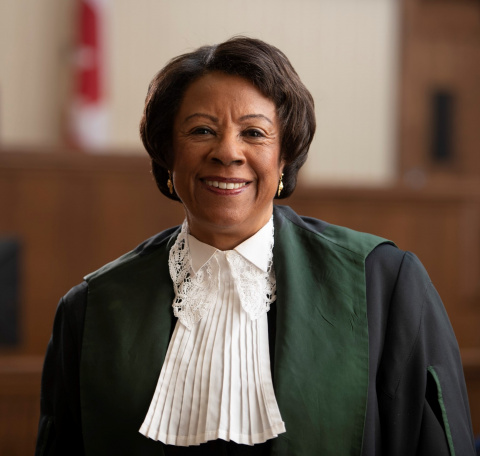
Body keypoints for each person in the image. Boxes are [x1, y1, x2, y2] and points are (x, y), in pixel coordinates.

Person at [35, 36, 475, 456]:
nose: (227, 152)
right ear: (168, 155)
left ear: (285, 155)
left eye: (254, 133)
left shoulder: (384, 285)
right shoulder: (92, 310)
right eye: (202, 130)